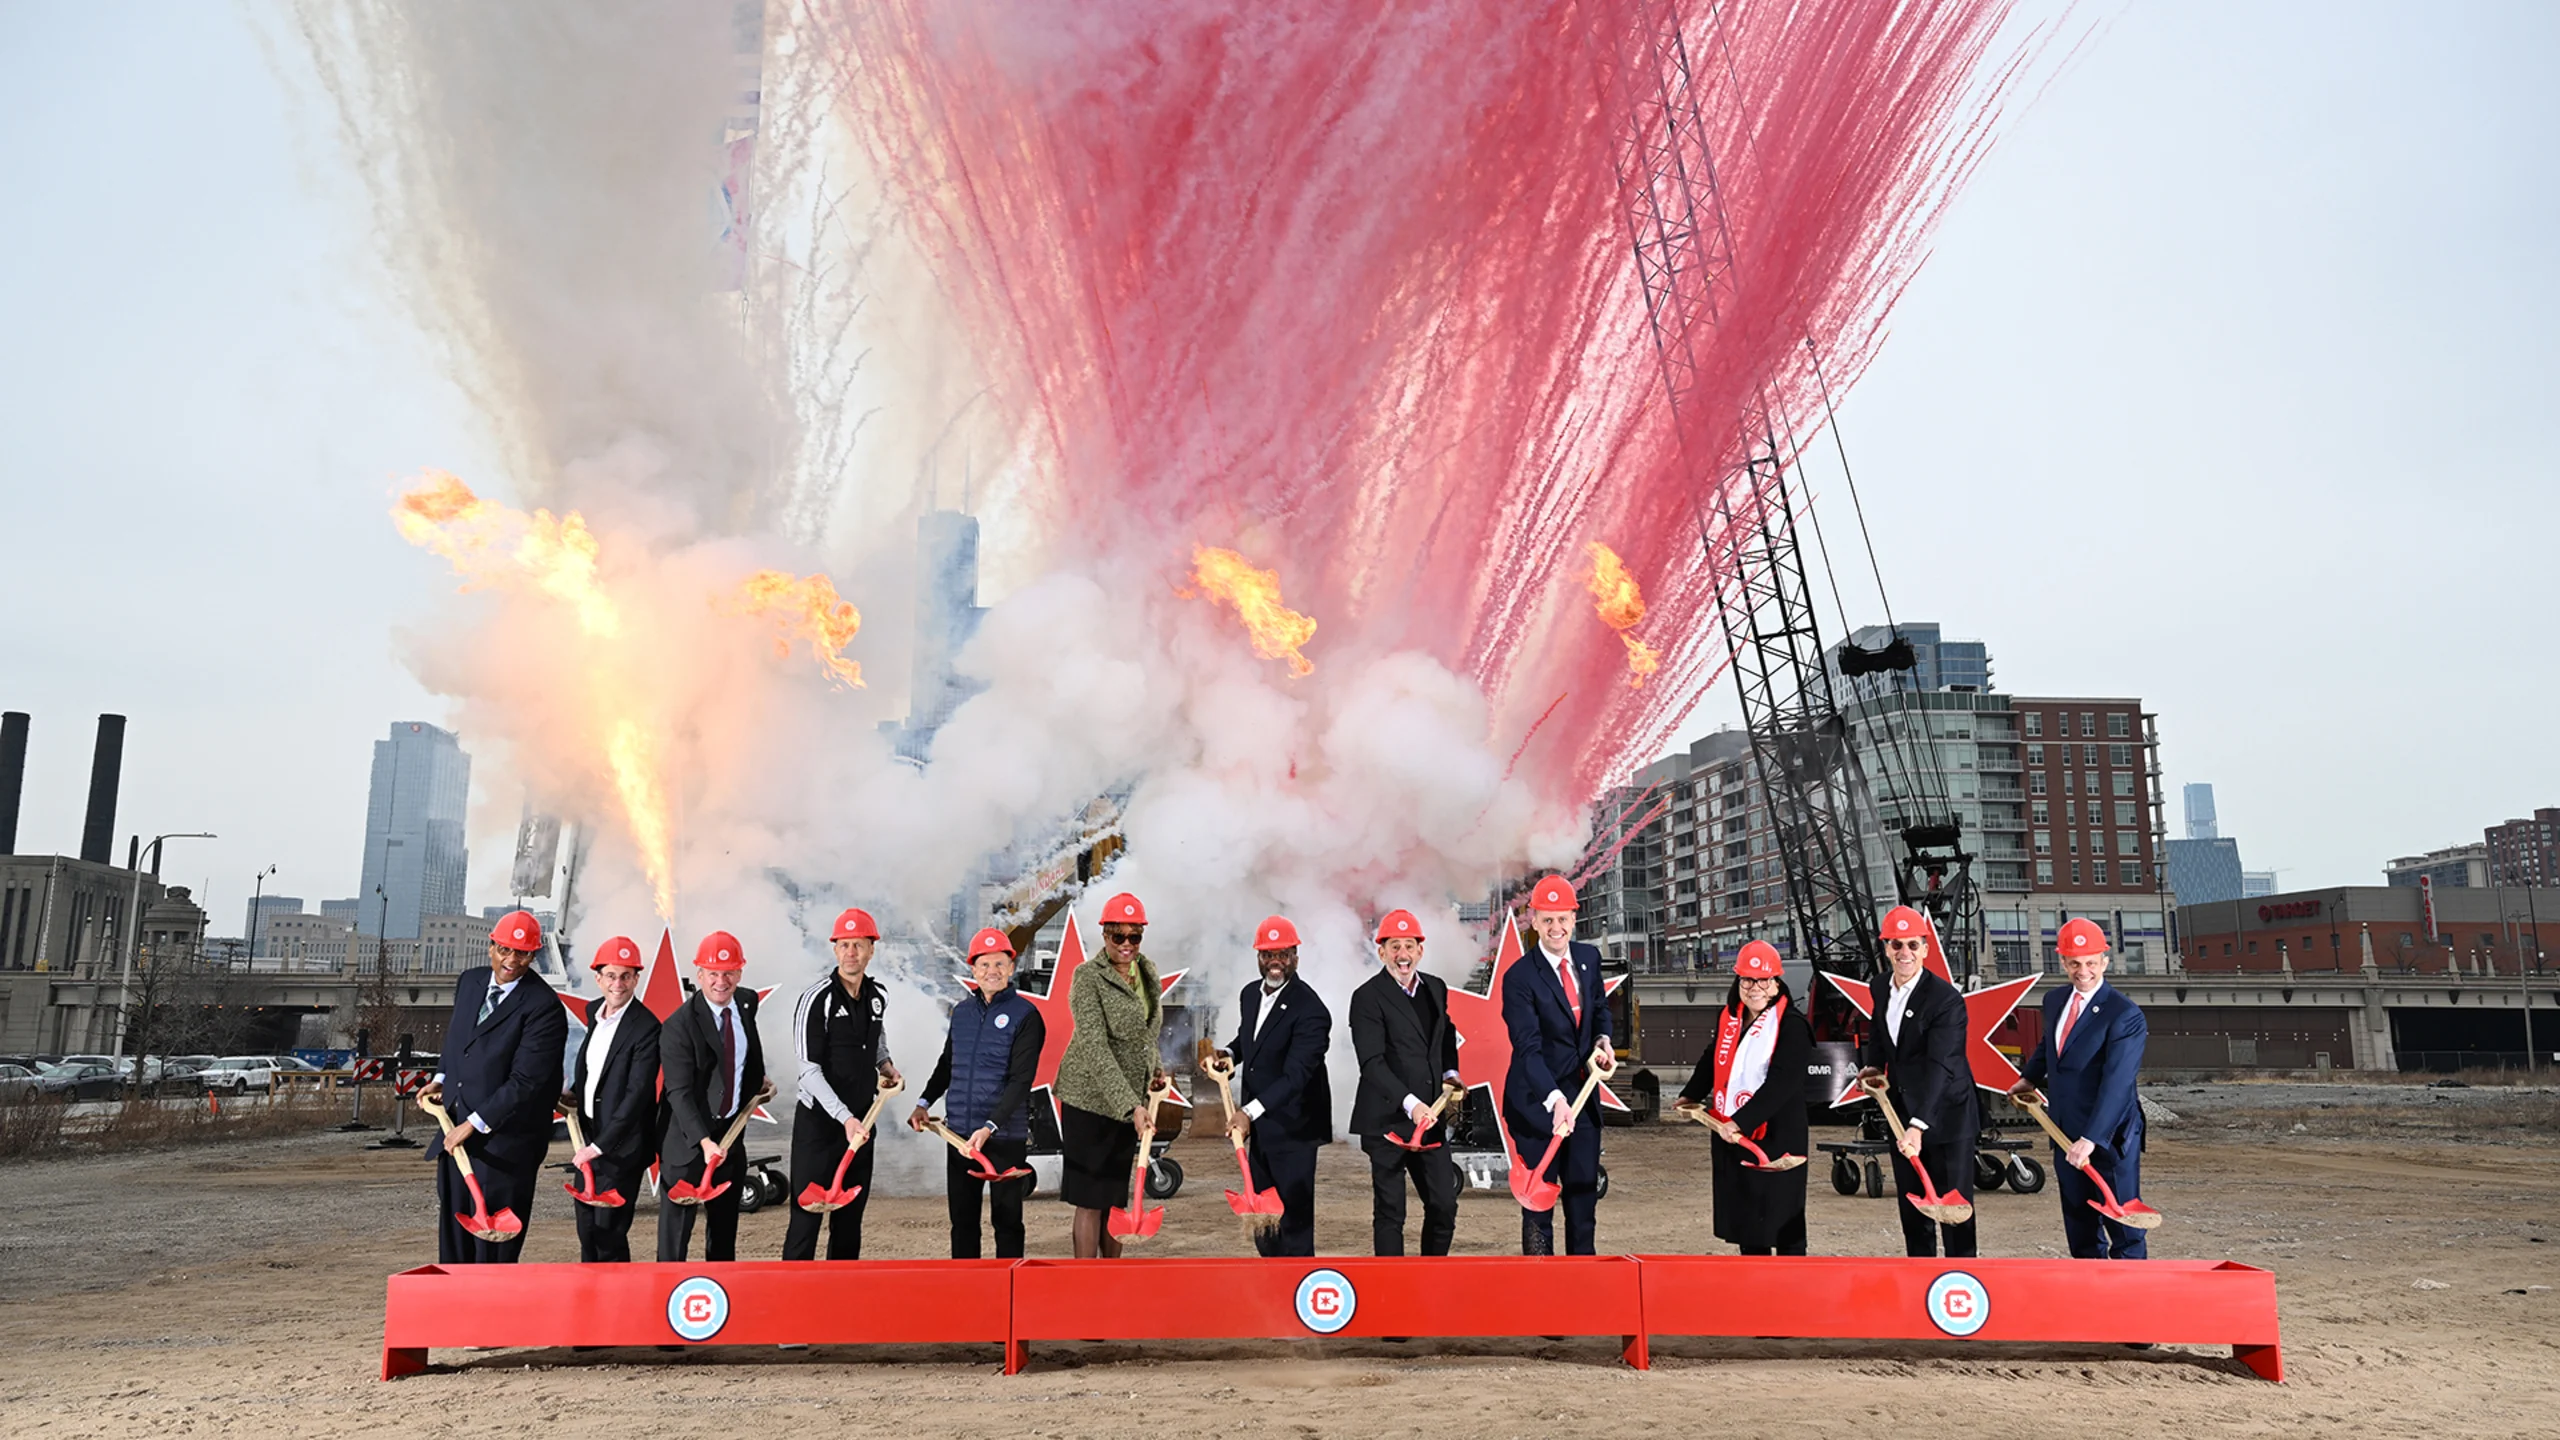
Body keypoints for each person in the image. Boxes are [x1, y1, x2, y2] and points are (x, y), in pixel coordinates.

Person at [423, 909, 568, 1264]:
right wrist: (440, 1079)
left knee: (493, 1250)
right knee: (455, 1236)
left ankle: (492, 1315)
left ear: (533, 956)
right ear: (491, 947)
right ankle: (457, 1310)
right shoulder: (469, 983)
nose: (511, 960)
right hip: (457, 1134)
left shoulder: (544, 1007)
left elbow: (526, 1082)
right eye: (504, 950)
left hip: (506, 1144)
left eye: (522, 953)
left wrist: (472, 1124)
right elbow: (459, 1041)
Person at [2013, 917, 2150, 1259]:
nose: (2083, 971)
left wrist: (2091, 1138)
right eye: (2075, 963)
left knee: (2122, 1223)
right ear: (2063, 962)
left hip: (2109, 1137)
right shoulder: (2055, 1001)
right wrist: (2029, 1078)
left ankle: (2131, 1298)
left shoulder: (2124, 1015)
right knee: (2079, 1221)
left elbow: (2118, 1083)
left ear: (2104, 961)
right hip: (2064, 1129)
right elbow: (2051, 1045)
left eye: (2091, 963)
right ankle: (2091, 1295)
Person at [909, 927, 1045, 1259]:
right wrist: (923, 1102)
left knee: (1008, 1220)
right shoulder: (963, 1013)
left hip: (1004, 1137)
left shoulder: (1026, 1016)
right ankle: (966, 1290)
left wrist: (990, 1127)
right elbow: (947, 1063)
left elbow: (1020, 1081)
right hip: (960, 1137)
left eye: (999, 964)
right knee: (963, 1221)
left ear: (1011, 968)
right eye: (984, 965)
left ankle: (1010, 1288)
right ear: (973, 970)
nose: (992, 972)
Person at [1675, 940, 1810, 1255]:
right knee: (1749, 1220)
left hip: (1775, 1135)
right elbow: (1713, 1059)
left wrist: (1742, 1121)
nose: (1754, 987)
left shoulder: (1792, 1026)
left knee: (1783, 1220)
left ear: (1776, 984)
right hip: (1732, 1131)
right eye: (1747, 980)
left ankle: (1795, 1289)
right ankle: (1756, 1290)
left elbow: (1783, 1083)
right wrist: (1690, 1093)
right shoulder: (1731, 1018)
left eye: (1763, 980)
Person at [1858, 905, 1978, 1259]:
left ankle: (1961, 1283)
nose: (1904, 953)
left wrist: (1918, 1127)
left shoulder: (1946, 1001)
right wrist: (1873, 1066)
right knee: (1914, 1210)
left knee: (1954, 1214)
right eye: (1896, 945)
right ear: (1886, 949)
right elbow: (1880, 1031)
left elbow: (1942, 1067)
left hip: (1947, 1117)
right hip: (1903, 1111)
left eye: (1912, 944)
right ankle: (1920, 1280)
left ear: (1925, 948)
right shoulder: (1880, 986)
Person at [1504, 874, 1615, 1256]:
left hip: (1582, 1099)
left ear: (1574, 919)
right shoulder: (1518, 978)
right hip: (1537, 1104)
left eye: (1562, 918)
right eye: (1547, 919)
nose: (1556, 928)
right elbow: (1528, 1048)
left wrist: (1604, 1041)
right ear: (1533, 921)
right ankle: (1539, 1284)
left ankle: (1582, 1281)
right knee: (1539, 1200)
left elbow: (1599, 1009)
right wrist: (1554, 1100)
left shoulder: (1588, 958)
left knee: (1583, 1195)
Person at [782, 907, 902, 1261]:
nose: (852, 953)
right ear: (835, 950)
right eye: (845, 945)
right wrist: (844, 1117)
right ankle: (794, 1298)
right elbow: (808, 1070)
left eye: (859, 945)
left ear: (871, 950)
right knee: (805, 1223)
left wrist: (886, 1064)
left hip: (862, 1124)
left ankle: (841, 1297)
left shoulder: (878, 995)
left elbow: (875, 1037)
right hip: (820, 1127)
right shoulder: (815, 999)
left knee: (849, 1223)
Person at [1054, 891, 1168, 1259]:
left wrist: (1156, 1072)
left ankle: (1109, 1281)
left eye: (1134, 936)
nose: (1126, 944)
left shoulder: (1147, 973)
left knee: (1115, 1199)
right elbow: (1095, 1046)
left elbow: (1145, 1034)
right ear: (1104, 936)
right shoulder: (1087, 978)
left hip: (1129, 1103)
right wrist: (1131, 1106)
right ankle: (1084, 1286)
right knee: (1090, 1199)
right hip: (1088, 1101)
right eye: (1118, 936)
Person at [1348, 908, 1462, 1256]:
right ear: (1381, 952)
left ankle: (1432, 1277)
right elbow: (1372, 1063)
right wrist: (1411, 1104)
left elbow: (1445, 1037)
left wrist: (1450, 1074)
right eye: (1394, 946)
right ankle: (1391, 1289)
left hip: (1430, 1122)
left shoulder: (1436, 989)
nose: (1402, 955)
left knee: (1444, 1205)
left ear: (1420, 951)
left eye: (1409, 946)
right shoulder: (1366, 997)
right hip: (1387, 1122)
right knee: (1390, 1212)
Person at [1219, 915, 1334, 1257]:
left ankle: (1297, 1294)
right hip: (1261, 1128)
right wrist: (1228, 1054)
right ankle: (1272, 1288)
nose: (1275, 961)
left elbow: (1295, 1076)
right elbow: (1251, 1040)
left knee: (1293, 1224)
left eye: (1283, 954)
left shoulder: (1311, 1010)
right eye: (1268, 954)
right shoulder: (1250, 996)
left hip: (1295, 1128)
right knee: (1264, 1224)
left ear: (1295, 956)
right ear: (1258, 956)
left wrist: (1247, 1113)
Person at [657, 930, 767, 1263]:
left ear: (740, 973)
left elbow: (738, 1057)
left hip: (731, 1137)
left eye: (729, 972)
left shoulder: (747, 1003)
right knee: (675, 1241)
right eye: (713, 974)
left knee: (723, 1236)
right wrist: (704, 1142)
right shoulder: (679, 1026)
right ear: (700, 975)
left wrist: (758, 1082)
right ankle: (668, 1298)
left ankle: (719, 1300)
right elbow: (679, 1092)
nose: (722, 981)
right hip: (688, 1142)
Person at [564, 933, 662, 1263]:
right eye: (610, 975)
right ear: (598, 978)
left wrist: (600, 1146)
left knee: (609, 1234)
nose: (617, 984)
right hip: (589, 1137)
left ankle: (616, 1305)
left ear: (636, 978)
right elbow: (597, 1072)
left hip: (620, 1147)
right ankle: (590, 1303)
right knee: (586, 1232)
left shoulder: (646, 1027)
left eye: (625, 976)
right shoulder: (595, 1015)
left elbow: (636, 1094)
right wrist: (573, 1093)